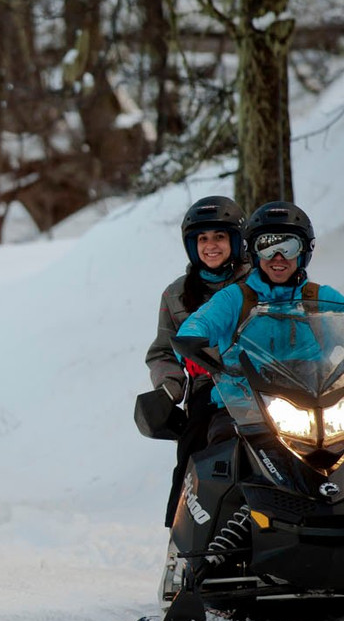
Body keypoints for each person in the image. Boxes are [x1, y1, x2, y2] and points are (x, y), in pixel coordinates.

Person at [174, 200, 344, 447]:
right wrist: (193, 344)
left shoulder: (319, 298)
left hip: (319, 408)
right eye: (266, 247)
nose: (278, 257)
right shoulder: (236, 298)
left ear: (304, 250)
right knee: (218, 450)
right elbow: (199, 323)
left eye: (288, 247)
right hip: (245, 410)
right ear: (253, 252)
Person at [145, 195, 249, 527]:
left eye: (219, 236)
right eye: (202, 239)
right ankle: (184, 536)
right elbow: (162, 352)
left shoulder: (257, 284)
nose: (211, 246)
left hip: (268, 388)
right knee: (194, 445)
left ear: (236, 240)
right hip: (210, 391)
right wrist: (168, 389)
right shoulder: (175, 295)